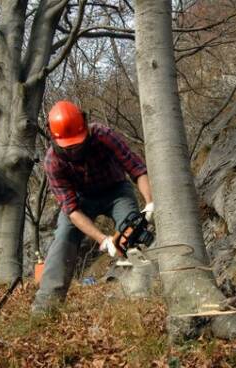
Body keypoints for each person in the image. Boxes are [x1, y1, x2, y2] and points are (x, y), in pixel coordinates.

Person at [31, 100, 153, 314]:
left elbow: (136, 168)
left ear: (85, 126)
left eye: (78, 143)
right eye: (69, 147)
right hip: (81, 202)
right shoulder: (52, 162)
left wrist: (150, 203)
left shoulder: (103, 135)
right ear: (55, 139)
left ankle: (139, 293)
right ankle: (45, 306)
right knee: (63, 239)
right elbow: (71, 211)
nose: (75, 150)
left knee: (131, 229)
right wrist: (103, 240)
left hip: (116, 190)